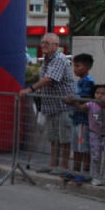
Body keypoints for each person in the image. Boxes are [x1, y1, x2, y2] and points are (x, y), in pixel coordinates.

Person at [19, 33, 75, 172]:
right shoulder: (46, 60)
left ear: (56, 46)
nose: (43, 45)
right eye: (43, 42)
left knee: (64, 137)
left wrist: (31, 89)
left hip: (63, 106)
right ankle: (53, 163)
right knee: (53, 137)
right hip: (50, 106)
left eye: (47, 43)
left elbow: (49, 79)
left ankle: (63, 165)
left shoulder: (59, 59)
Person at [62, 54, 96, 180]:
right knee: (76, 146)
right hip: (75, 120)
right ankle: (76, 170)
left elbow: (85, 100)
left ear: (86, 67)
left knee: (84, 147)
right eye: (74, 66)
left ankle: (85, 172)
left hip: (83, 121)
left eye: (78, 66)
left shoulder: (88, 82)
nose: (75, 69)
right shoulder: (78, 82)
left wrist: (73, 101)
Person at [66, 85, 105, 184]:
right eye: (97, 93)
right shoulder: (91, 104)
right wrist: (75, 101)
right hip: (94, 134)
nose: (100, 96)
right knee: (96, 156)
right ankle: (95, 176)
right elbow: (80, 107)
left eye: (103, 94)